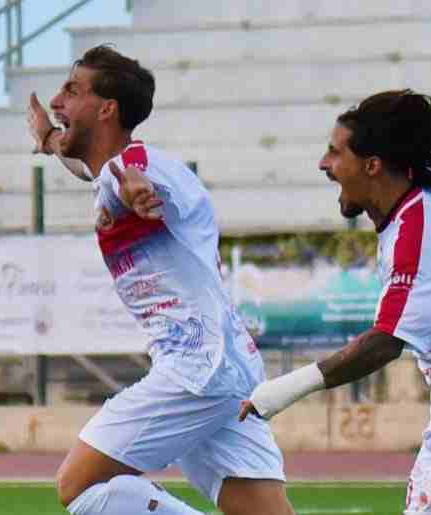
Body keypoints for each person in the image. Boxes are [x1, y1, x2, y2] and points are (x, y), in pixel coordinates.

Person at [27, 45, 295, 515]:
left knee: (79, 487)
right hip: (229, 365)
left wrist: (135, 188)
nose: (56, 100)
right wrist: (50, 137)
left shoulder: (143, 167)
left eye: (71, 90)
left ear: (107, 109)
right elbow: (94, 170)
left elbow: (129, 175)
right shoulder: (111, 170)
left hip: (197, 369)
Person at [239, 89, 431, 515]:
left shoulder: (417, 224)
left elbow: (385, 343)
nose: (324, 164)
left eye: (335, 152)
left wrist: (281, 390)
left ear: (372, 165)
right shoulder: (408, 218)